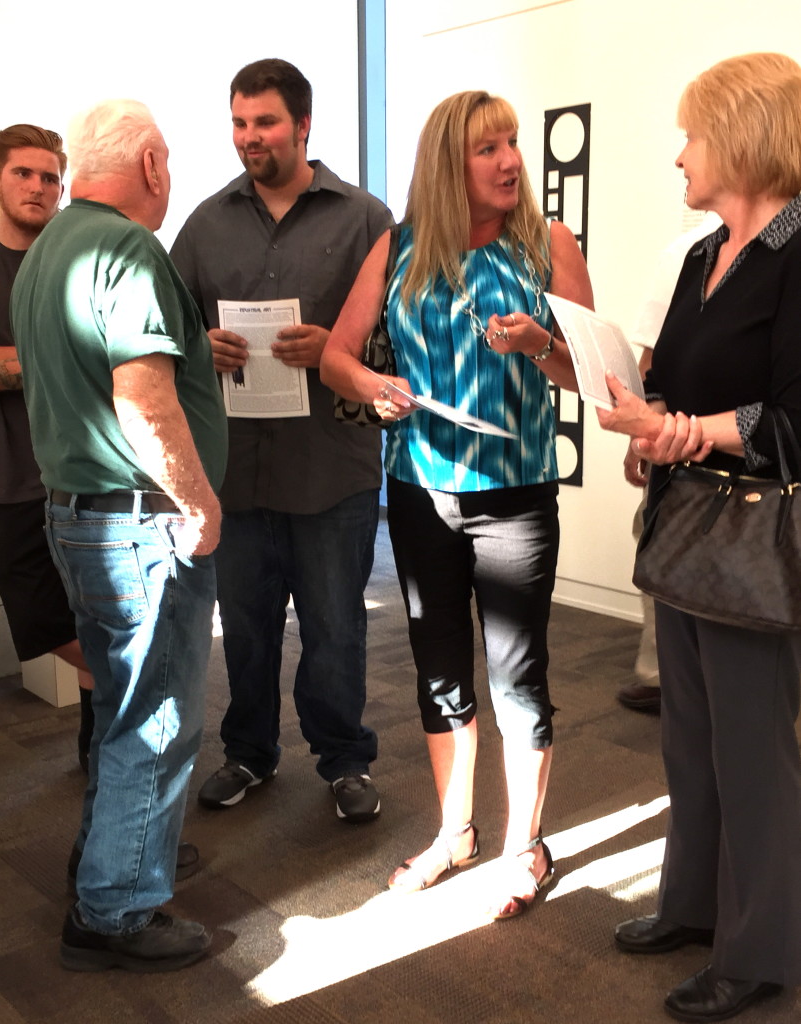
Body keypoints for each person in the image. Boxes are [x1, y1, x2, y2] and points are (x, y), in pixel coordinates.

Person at [322, 90, 593, 916]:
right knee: (439, 673)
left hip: (515, 497)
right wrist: (374, 386)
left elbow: (591, 376)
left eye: (512, 142)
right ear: (449, 163)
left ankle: (524, 847)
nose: (511, 160)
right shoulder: (398, 247)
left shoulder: (546, 243)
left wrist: (540, 344)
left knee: (518, 676)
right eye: (488, 148)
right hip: (419, 493)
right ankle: (454, 834)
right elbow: (336, 358)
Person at [598, 53, 801, 1022]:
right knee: (688, 738)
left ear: (742, 138)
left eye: (690, 134)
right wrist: (653, 428)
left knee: (753, 750)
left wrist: (691, 431)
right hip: (685, 525)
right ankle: (691, 903)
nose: (678, 154)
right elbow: (675, 385)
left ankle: (760, 948)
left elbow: (793, 419)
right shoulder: (700, 254)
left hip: (756, 537)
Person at [10, 99, 227, 973]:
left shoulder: (46, 250)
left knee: (118, 705)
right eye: (167, 160)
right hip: (140, 523)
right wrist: (198, 505)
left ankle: (112, 858)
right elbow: (142, 399)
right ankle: (115, 910)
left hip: (79, 516)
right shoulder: (129, 249)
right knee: (157, 718)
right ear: (149, 164)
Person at [171, 58, 393, 822]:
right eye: (239, 123)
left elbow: (397, 346)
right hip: (236, 472)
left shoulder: (365, 220)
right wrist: (201, 347)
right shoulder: (204, 224)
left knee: (336, 630)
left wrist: (337, 348)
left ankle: (345, 760)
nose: (249, 137)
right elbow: (167, 334)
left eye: (264, 122)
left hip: (331, 470)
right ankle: (249, 753)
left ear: (302, 125)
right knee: (246, 631)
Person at [0, 125, 97, 771]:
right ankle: (135, 692)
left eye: (49, 178)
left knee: (99, 618)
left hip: (93, 474)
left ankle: (103, 753)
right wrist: (62, 354)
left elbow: (103, 357)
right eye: (23, 174)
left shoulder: (80, 260)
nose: (38, 187)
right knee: (40, 620)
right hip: (13, 476)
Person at [617, 212, 722, 715]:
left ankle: (663, 675)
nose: (682, 171)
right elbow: (653, 370)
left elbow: (650, 359)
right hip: (687, 446)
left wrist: (643, 436)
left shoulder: (689, 250)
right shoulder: (695, 251)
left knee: (663, 543)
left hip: (692, 453)